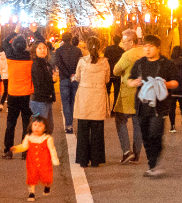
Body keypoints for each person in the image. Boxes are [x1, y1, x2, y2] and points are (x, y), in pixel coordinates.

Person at [128, 34, 179, 177]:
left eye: (150, 46)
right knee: (145, 135)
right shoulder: (139, 63)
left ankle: (155, 164)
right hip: (142, 105)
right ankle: (152, 164)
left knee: (155, 134)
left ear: (158, 48)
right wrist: (133, 83)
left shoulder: (166, 64)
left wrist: (165, 84)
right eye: (145, 46)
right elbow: (129, 80)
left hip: (159, 106)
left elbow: (176, 82)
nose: (147, 49)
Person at [110, 29, 145, 164]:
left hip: (128, 94)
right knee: (138, 124)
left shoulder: (127, 55)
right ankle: (136, 155)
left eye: (124, 42)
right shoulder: (145, 53)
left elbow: (116, 70)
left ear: (131, 41)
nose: (122, 44)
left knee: (120, 120)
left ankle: (126, 151)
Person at [73, 36, 109, 166]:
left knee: (83, 130)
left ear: (87, 47)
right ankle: (96, 159)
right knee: (97, 130)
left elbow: (77, 77)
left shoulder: (82, 61)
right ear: (99, 47)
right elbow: (107, 79)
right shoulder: (104, 62)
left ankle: (83, 159)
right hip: (98, 97)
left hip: (84, 97)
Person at [12, 115, 59, 201]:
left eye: (40, 126)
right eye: (35, 125)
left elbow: (52, 149)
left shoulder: (48, 138)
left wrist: (54, 159)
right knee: (32, 177)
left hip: (45, 162)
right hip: (32, 162)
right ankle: (31, 193)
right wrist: (16, 148)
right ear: (31, 126)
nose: (37, 128)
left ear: (45, 128)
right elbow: (24, 146)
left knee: (46, 177)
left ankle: (47, 186)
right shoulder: (28, 137)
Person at [1, 36, 34, 158]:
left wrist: (14, 31)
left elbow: (5, 42)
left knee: (11, 123)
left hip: (13, 93)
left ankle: (8, 150)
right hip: (26, 95)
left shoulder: (10, 57)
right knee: (26, 123)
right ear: (25, 45)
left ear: (14, 45)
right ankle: (25, 151)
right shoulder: (30, 59)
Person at [53, 34, 82, 133]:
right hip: (74, 78)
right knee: (73, 101)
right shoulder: (77, 50)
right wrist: (73, 74)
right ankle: (71, 122)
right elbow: (80, 64)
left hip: (64, 78)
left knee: (65, 102)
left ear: (62, 39)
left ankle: (69, 125)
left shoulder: (59, 51)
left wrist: (67, 74)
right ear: (70, 39)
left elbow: (58, 64)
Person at [30, 40, 56, 128]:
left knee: (48, 127)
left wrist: (53, 80)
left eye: (44, 48)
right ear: (35, 50)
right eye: (40, 48)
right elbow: (40, 83)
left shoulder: (45, 63)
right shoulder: (37, 64)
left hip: (46, 99)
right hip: (39, 101)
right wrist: (52, 80)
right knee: (39, 128)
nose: (43, 50)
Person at [167, 46, 182, 132]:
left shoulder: (169, 63)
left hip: (172, 89)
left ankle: (172, 126)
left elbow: (166, 76)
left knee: (171, 108)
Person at [103, 35, 124, 105]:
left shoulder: (107, 49)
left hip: (109, 73)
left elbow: (105, 60)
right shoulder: (121, 51)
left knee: (107, 92)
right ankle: (114, 108)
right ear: (119, 41)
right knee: (116, 93)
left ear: (113, 40)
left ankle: (107, 106)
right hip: (117, 74)